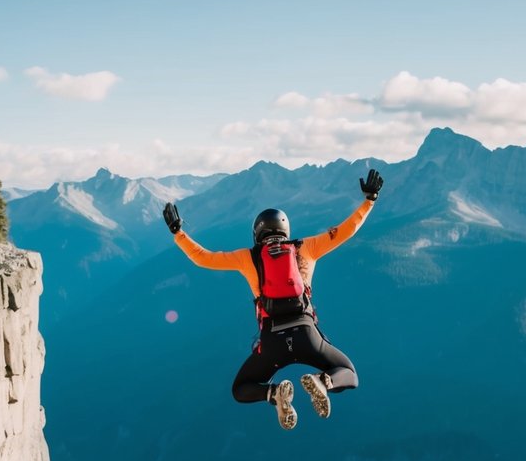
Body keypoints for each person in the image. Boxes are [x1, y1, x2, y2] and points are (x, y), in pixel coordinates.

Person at [161, 169, 383, 429]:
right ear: (285, 230)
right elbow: (346, 230)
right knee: (348, 373)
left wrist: (178, 233)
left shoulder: (248, 258)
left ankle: (274, 394)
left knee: (241, 388)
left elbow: (203, 257)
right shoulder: (306, 248)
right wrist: (369, 200)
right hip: (307, 335)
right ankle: (324, 382)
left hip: (271, 342)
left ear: (257, 234)